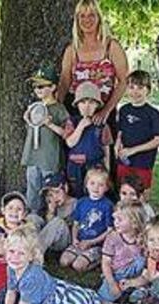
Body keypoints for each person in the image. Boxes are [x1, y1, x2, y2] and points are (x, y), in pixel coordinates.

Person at [0, 225, 127, 304]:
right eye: (11, 251)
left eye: (21, 253)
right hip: (42, 303)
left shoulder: (31, 276)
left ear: (31, 256)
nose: (15, 257)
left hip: (54, 303)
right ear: (6, 251)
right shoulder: (12, 268)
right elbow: (11, 293)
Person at [57, 0, 129, 177]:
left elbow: (124, 81)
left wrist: (106, 110)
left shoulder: (111, 46)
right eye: (82, 15)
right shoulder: (72, 50)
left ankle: (106, 197)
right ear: (76, 20)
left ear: (99, 18)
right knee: (75, 156)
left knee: (103, 157)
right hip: (77, 111)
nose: (86, 19)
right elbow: (65, 82)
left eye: (91, 15)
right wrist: (55, 106)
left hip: (104, 110)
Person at [22, 65, 70, 213]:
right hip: (33, 155)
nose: (38, 90)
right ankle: (33, 215)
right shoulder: (33, 107)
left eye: (42, 86)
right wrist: (28, 119)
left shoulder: (59, 109)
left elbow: (66, 134)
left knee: (50, 188)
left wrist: (49, 124)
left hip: (49, 157)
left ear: (53, 87)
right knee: (32, 187)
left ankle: (52, 215)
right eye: (35, 86)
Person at [115, 70, 159, 191]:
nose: (135, 91)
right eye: (131, 87)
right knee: (123, 193)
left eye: (140, 87)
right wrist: (117, 144)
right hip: (124, 161)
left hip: (143, 163)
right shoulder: (123, 110)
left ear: (148, 90)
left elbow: (158, 140)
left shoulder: (153, 113)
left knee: (141, 196)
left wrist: (133, 150)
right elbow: (120, 131)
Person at [64, 81, 113, 197]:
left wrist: (107, 170)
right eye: (83, 102)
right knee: (76, 195)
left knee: (95, 195)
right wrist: (81, 126)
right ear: (77, 105)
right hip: (75, 168)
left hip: (95, 168)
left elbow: (107, 150)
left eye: (91, 102)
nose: (87, 106)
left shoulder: (102, 125)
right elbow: (70, 143)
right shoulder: (71, 122)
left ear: (97, 105)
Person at [60, 168, 113, 272]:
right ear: (86, 184)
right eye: (92, 183)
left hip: (96, 244)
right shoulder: (81, 202)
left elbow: (109, 230)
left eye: (101, 185)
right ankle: (81, 256)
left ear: (106, 188)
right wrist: (74, 239)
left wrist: (91, 242)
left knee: (78, 266)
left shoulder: (108, 205)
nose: (96, 188)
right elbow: (76, 224)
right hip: (80, 242)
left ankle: (99, 261)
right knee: (64, 262)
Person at [97, 202, 147, 302]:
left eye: (120, 220)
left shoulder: (143, 238)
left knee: (141, 260)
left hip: (137, 273)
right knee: (103, 299)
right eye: (115, 219)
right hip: (117, 274)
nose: (116, 222)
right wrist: (112, 284)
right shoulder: (113, 237)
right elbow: (106, 263)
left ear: (134, 223)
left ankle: (136, 287)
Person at [37, 173, 76, 255]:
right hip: (46, 242)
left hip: (64, 242)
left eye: (57, 192)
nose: (54, 197)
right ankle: (22, 246)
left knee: (59, 222)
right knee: (33, 218)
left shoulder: (76, 204)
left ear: (65, 187)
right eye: (50, 195)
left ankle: (35, 253)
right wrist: (51, 212)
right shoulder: (49, 205)